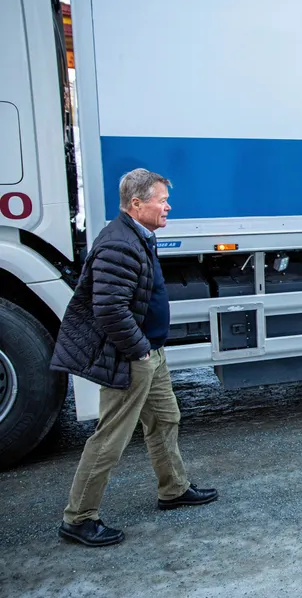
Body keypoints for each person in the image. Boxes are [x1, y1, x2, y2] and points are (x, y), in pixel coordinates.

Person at [51, 168, 218, 547]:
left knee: (165, 419)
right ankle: (78, 519)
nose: (167, 206)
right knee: (111, 437)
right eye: (161, 200)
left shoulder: (139, 236)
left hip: (149, 353)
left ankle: (173, 489)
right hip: (132, 356)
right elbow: (109, 309)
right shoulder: (119, 244)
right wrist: (139, 349)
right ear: (137, 203)